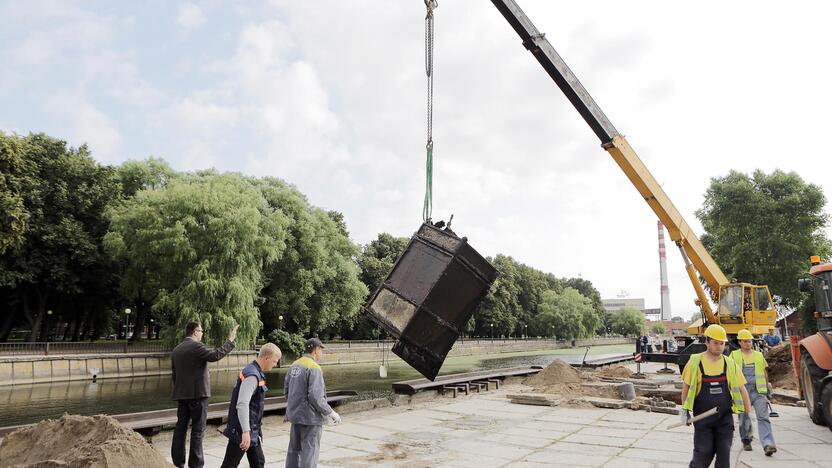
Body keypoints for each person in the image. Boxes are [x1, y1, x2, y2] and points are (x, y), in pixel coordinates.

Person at [680, 324, 752, 468]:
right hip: (702, 420)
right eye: (716, 343)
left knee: (724, 457)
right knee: (703, 454)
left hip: (724, 420)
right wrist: (685, 410)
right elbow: (686, 388)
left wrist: (747, 413)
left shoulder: (730, 364)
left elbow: (741, 388)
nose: (719, 346)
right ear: (707, 342)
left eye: (722, 343)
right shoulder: (695, 362)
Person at [171, 322, 238, 468]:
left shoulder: (176, 349)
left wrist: (181, 390)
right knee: (198, 429)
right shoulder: (196, 346)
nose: (202, 333)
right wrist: (230, 341)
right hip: (198, 395)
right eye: (201, 331)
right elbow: (215, 355)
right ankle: (195, 465)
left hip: (181, 396)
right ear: (195, 332)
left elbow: (175, 375)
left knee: (180, 428)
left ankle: (178, 462)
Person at [220, 343, 282, 468]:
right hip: (242, 430)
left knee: (258, 462)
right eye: (275, 361)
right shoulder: (253, 376)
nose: (275, 364)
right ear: (266, 358)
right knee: (230, 465)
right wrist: (245, 431)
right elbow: (242, 404)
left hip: (251, 429)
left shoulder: (253, 371)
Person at [284, 337, 341, 468]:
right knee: (310, 451)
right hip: (311, 418)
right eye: (321, 349)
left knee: (293, 450)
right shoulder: (314, 367)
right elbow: (316, 397)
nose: (321, 352)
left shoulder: (294, 365)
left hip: (295, 416)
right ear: (315, 350)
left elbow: (286, 391)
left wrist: (295, 407)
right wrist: (331, 412)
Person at [730, 329, 777, 456]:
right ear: (739, 342)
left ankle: (768, 444)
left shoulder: (759, 355)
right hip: (742, 392)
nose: (748, 343)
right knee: (744, 418)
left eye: (749, 341)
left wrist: (767, 389)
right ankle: (746, 440)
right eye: (745, 341)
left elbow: (764, 373)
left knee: (763, 417)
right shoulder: (734, 355)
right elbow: (729, 374)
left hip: (759, 391)